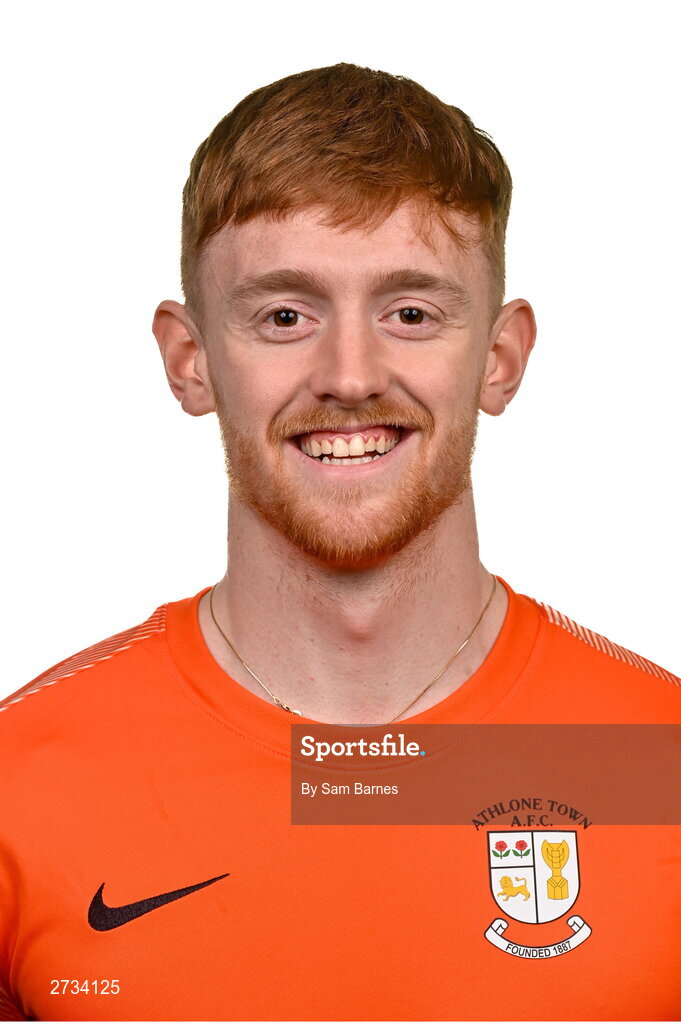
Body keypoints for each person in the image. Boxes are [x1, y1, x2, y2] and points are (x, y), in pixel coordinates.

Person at [1, 62, 678, 1023]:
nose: (351, 375)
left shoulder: (663, 757)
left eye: (409, 313)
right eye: (285, 315)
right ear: (189, 362)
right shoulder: (20, 777)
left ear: (499, 357)